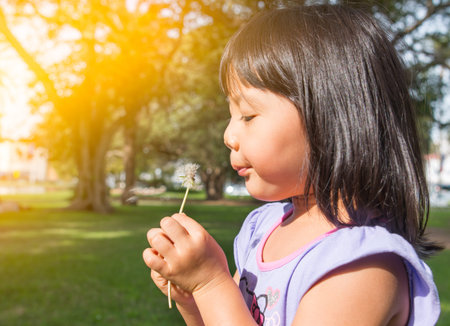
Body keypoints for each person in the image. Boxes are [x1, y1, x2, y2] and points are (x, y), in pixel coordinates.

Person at [143, 4, 441, 325]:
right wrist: (193, 299)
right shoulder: (263, 228)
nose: (229, 135)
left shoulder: (360, 267)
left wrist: (210, 283)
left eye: (247, 115)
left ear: (330, 118)